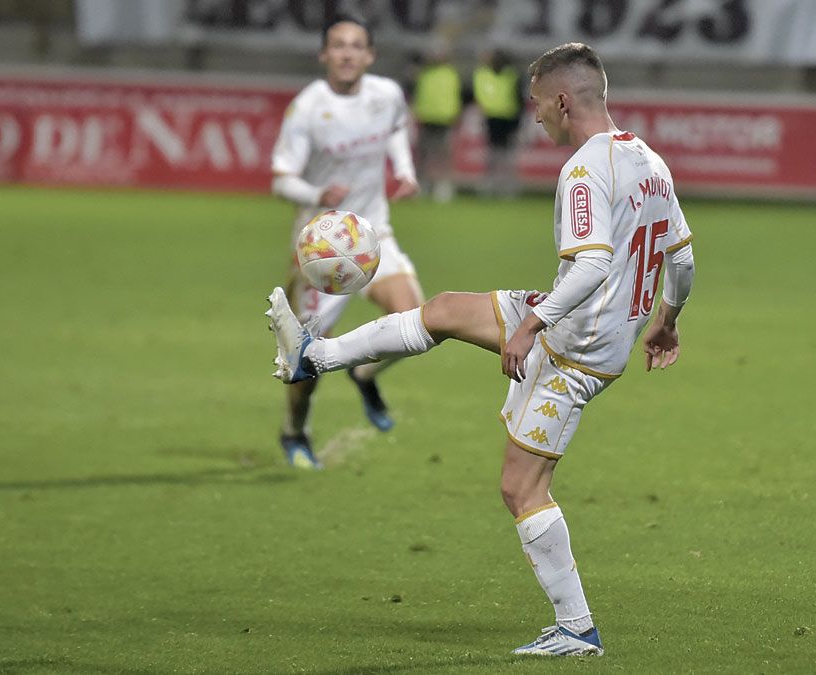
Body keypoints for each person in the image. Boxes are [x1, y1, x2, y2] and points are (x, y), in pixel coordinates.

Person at [266, 42, 695, 656]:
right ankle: (316, 354)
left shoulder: (584, 168)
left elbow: (593, 265)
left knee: (522, 489)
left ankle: (576, 629)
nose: (535, 115)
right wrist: (668, 320)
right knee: (442, 310)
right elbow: (682, 258)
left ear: (564, 100)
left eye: (538, 104)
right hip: (583, 323)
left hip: (578, 346)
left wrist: (531, 327)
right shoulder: (649, 159)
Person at [270, 14, 424, 469]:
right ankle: (294, 431)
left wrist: (405, 171)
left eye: (356, 45)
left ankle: (364, 373)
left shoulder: (387, 95)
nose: (347, 53)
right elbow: (281, 179)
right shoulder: (308, 108)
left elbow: (396, 128)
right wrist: (317, 195)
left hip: (372, 233)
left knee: (414, 322)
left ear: (369, 55)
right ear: (324, 54)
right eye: (338, 45)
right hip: (321, 249)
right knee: (304, 364)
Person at [410, 42, 464, 203]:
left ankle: (443, 186)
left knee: (443, 155)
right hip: (426, 118)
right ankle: (422, 186)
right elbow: (420, 95)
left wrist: (454, 113)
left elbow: (455, 96)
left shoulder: (451, 74)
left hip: (444, 119)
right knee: (423, 155)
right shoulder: (424, 74)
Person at [471, 48, 526, 198]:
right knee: (493, 155)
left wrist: (518, 122)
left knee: (507, 156)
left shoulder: (511, 75)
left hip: (509, 119)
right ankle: (490, 186)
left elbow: (519, 100)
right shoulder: (484, 74)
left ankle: (507, 187)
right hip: (492, 119)